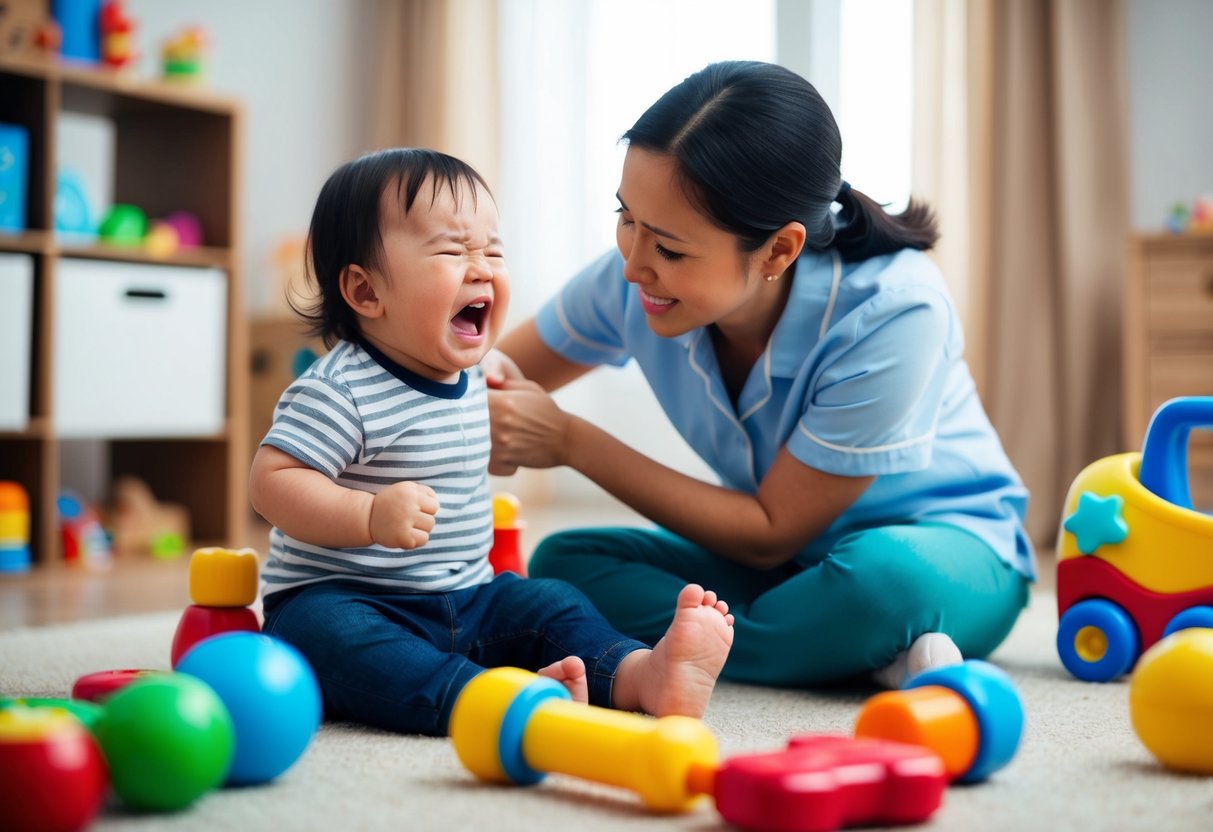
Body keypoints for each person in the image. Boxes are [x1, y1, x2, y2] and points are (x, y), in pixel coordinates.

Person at [486, 61, 1035, 690]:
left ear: (778, 249)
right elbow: (488, 375)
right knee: (568, 563)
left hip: (943, 548)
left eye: (668, 248)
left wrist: (567, 441)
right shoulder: (634, 280)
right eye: (626, 217)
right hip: (793, 571)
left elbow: (770, 533)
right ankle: (842, 653)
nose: (633, 264)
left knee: (883, 584)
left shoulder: (896, 310)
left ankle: (782, 643)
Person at [248, 148, 735, 736]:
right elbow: (271, 483)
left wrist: (514, 390)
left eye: (493, 251)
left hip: (470, 597)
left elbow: (498, 397)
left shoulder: (479, 373)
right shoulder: (340, 389)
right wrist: (368, 513)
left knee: (551, 602)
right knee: (329, 639)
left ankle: (641, 674)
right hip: (349, 597)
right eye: (453, 251)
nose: (481, 268)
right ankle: (484, 699)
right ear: (366, 292)